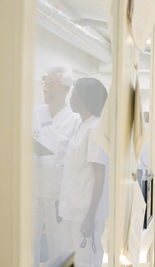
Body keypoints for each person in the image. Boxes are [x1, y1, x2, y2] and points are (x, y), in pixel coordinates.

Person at [32, 67, 81, 267]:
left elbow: (72, 157)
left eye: (50, 84)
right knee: (28, 245)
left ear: (66, 89)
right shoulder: (35, 113)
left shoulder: (75, 120)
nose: (45, 89)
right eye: (45, 83)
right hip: (33, 190)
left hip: (57, 194)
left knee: (58, 247)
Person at [58, 77, 109, 267]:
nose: (70, 98)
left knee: (86, 261)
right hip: (72, 210)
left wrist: (90, 216)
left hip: (85, 213)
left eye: (74, 93)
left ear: (85, 98)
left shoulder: (95, 128)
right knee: (74, 261)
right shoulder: (82, 125)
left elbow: (99, 175)